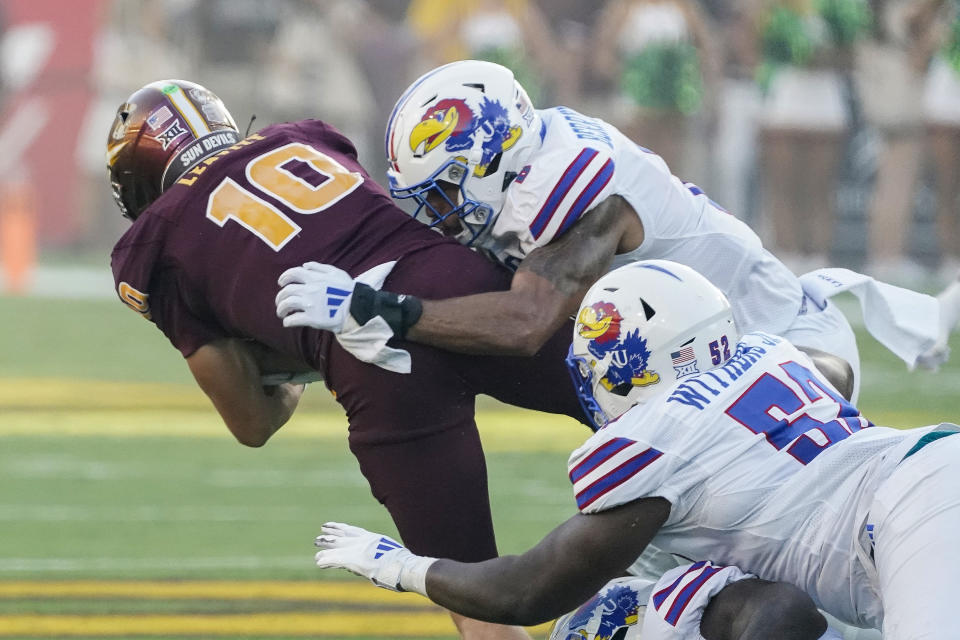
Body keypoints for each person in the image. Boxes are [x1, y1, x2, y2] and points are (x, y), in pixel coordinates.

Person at [106, 78, 594, 640]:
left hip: (377, 368)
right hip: (459, 286)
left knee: (478, 600)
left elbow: (253, 422)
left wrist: (294, 362)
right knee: (653, 420)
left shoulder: (156, 246)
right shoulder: (302, 139)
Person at [312, 260, 960, 639]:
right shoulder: (771, 353)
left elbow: (530, 591)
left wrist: (403, 567)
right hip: (929, 469)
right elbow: (833, 370)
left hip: (911, 522)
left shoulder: (653, 440)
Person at [275, 59, 947, 410]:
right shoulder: (528, 160)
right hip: (701, 364)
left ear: (491, 154)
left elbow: (524, 323)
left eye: (447, 190)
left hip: (786, 358)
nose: (441, 213)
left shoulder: (574, 185)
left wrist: (376, 310)